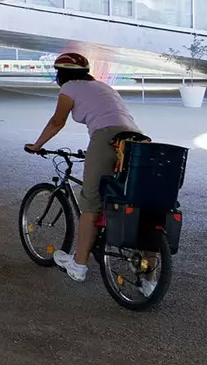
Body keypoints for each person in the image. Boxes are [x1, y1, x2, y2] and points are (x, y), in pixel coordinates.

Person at [25, 52, 143, 282]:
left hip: (106, 139)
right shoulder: (103, 87)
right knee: (131, 198)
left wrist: (37, 145)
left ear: (61, 73)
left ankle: (78, 265)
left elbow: (58, 121)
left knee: (90, 203)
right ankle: (148, 278)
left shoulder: (69, 88)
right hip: (135, 139)